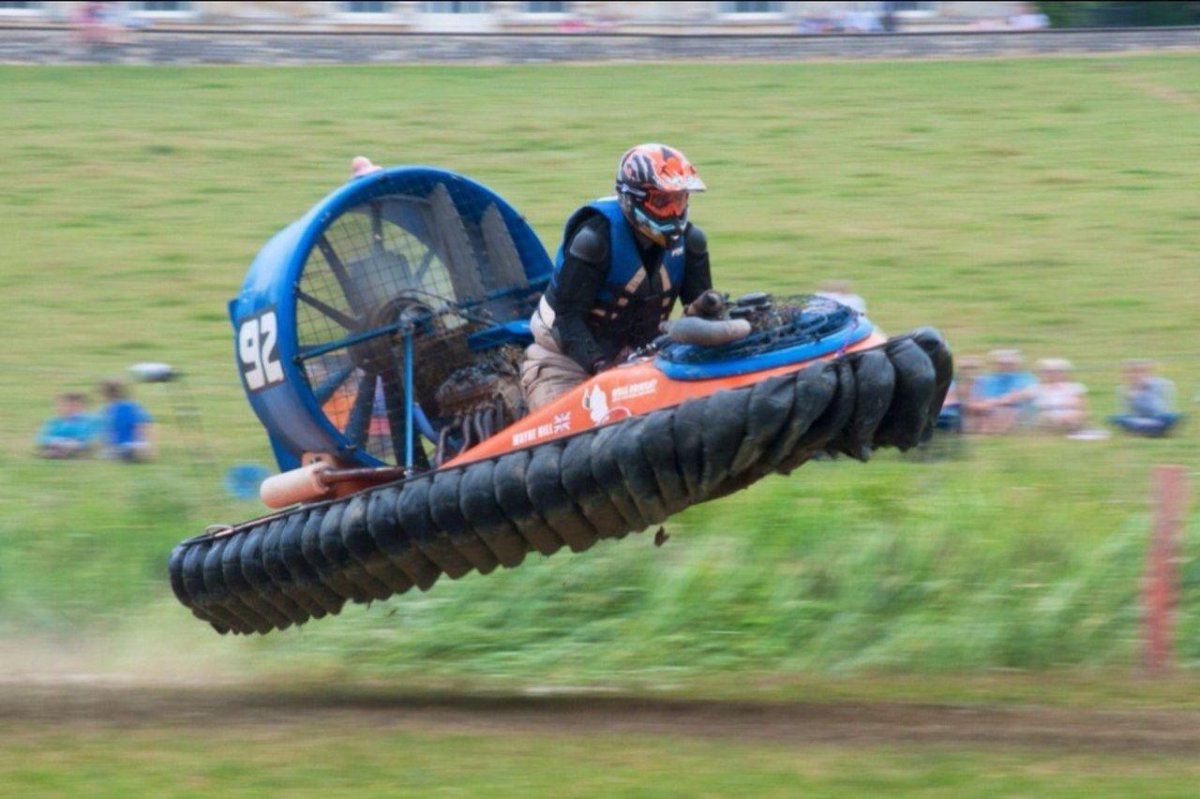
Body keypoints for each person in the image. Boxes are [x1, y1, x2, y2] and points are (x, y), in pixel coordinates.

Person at [521, 143, 713, 410]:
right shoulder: (595, 240)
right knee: (571, 438)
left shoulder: (690, 243)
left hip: (642, 365)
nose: (674, 212)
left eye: (679, 200)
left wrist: (711, 310)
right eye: (661, 202)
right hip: (565, 363)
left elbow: (701, 318)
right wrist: (602, 370)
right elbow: (566, 318)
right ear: (632, 199)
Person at [964, 349, 1037, 434]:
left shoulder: (1025, 378)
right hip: (985, 408)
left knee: (1004, 413)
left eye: (1008, 364)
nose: (1004, 366)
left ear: (1016, 364)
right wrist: (976, 405)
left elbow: (1019, 395)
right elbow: (975, 395)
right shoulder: (986, 378)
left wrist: (990, 404)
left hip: (1012, 409)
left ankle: (987, 435)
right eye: (1001, 363)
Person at [1110, 359, 1181, 438]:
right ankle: (1145, 431)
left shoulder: (1157, 385)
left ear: (1148, 374)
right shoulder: (1122, 389)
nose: (1136, 376)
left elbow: (1157, 408)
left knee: (1170, 417)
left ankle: (1152, 431)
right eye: (1131, 372)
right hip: (1136, 421)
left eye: (1140, 372)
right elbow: (1123, 413)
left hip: (1157, 418)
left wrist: (1138, 396)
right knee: (1117, 419)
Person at [1030, 358, 1093, 435]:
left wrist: (1068, 415)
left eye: (1057, 371)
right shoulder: (1036, 388)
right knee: (1046, 417)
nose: (1053, 374)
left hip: (1070, 415)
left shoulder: (1076, 387)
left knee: (1074, 415)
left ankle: (1067, 428)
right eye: (1048, 372)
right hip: (1047, 416)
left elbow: (1083, 409)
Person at [98, 380, 154, 461]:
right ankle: (135, 452)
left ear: (106, 394)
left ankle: (131, 453)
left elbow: (106, 434)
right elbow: (146, 425)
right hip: (138, 444)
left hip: (123, 446)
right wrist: (148, 446)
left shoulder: (108, 409)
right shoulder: (134, 405)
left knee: (105, 454)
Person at [35, 392, 97, 459]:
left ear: (83, 408)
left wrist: (72, 443)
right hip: (55, 443)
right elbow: (42, 437)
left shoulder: (85, 422)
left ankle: (59, 453)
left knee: (73, 446)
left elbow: (85, 440)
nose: (70, 409)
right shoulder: (54, 421)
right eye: (66, 406)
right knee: (49, 445)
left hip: (74, 444)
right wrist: (56, 440)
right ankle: (54, 452)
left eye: (75, 406)